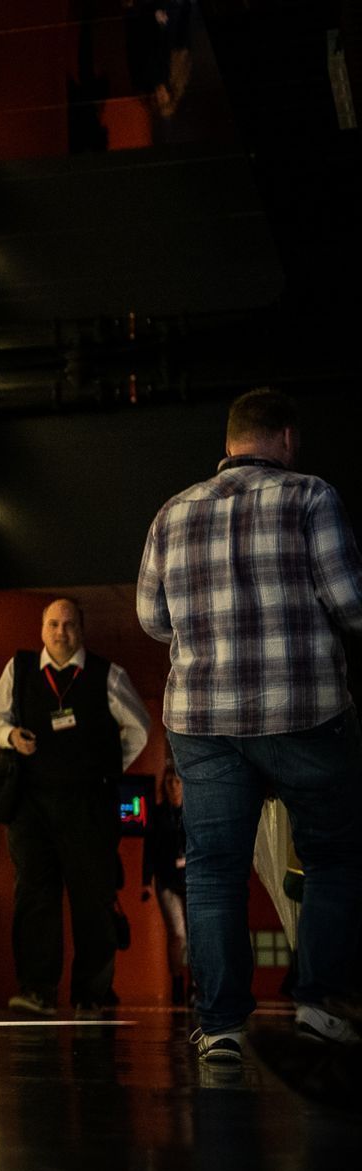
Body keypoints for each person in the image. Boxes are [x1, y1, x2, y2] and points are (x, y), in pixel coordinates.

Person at [137, 387, 362, 1065]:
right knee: (334, 856)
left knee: (213, 871)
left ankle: (222, 1029)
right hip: (303, 712)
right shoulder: (310, 496)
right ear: (286, 438)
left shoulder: (172, 512)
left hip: (203, 720)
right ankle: (319, 1006)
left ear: (230, 441)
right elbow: (350, 602)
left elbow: (151, 620)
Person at [0, 597, 151, 1016]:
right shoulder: (19, 669)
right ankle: (37, 990)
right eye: (54, 624)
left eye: (69, 624)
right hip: (32, 804)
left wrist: (108, 764)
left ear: (81, 630)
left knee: (92, 900)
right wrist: (10, 737)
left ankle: (90, 996)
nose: (61, 632)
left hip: (88, 805)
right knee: (34, 897)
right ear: (42, 629)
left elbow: (140, 727)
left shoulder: (107, 674)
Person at [141, 768, 189, 1004]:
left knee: (197, 936)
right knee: (177, 934)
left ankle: (197, 986)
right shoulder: (158, 814)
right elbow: (149, 849)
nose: (174, 786)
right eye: (169, 782)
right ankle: (177, 982)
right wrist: (146, 882)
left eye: (177, 781)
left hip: (191, 880)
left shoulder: (192, 811)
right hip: (167, 880)